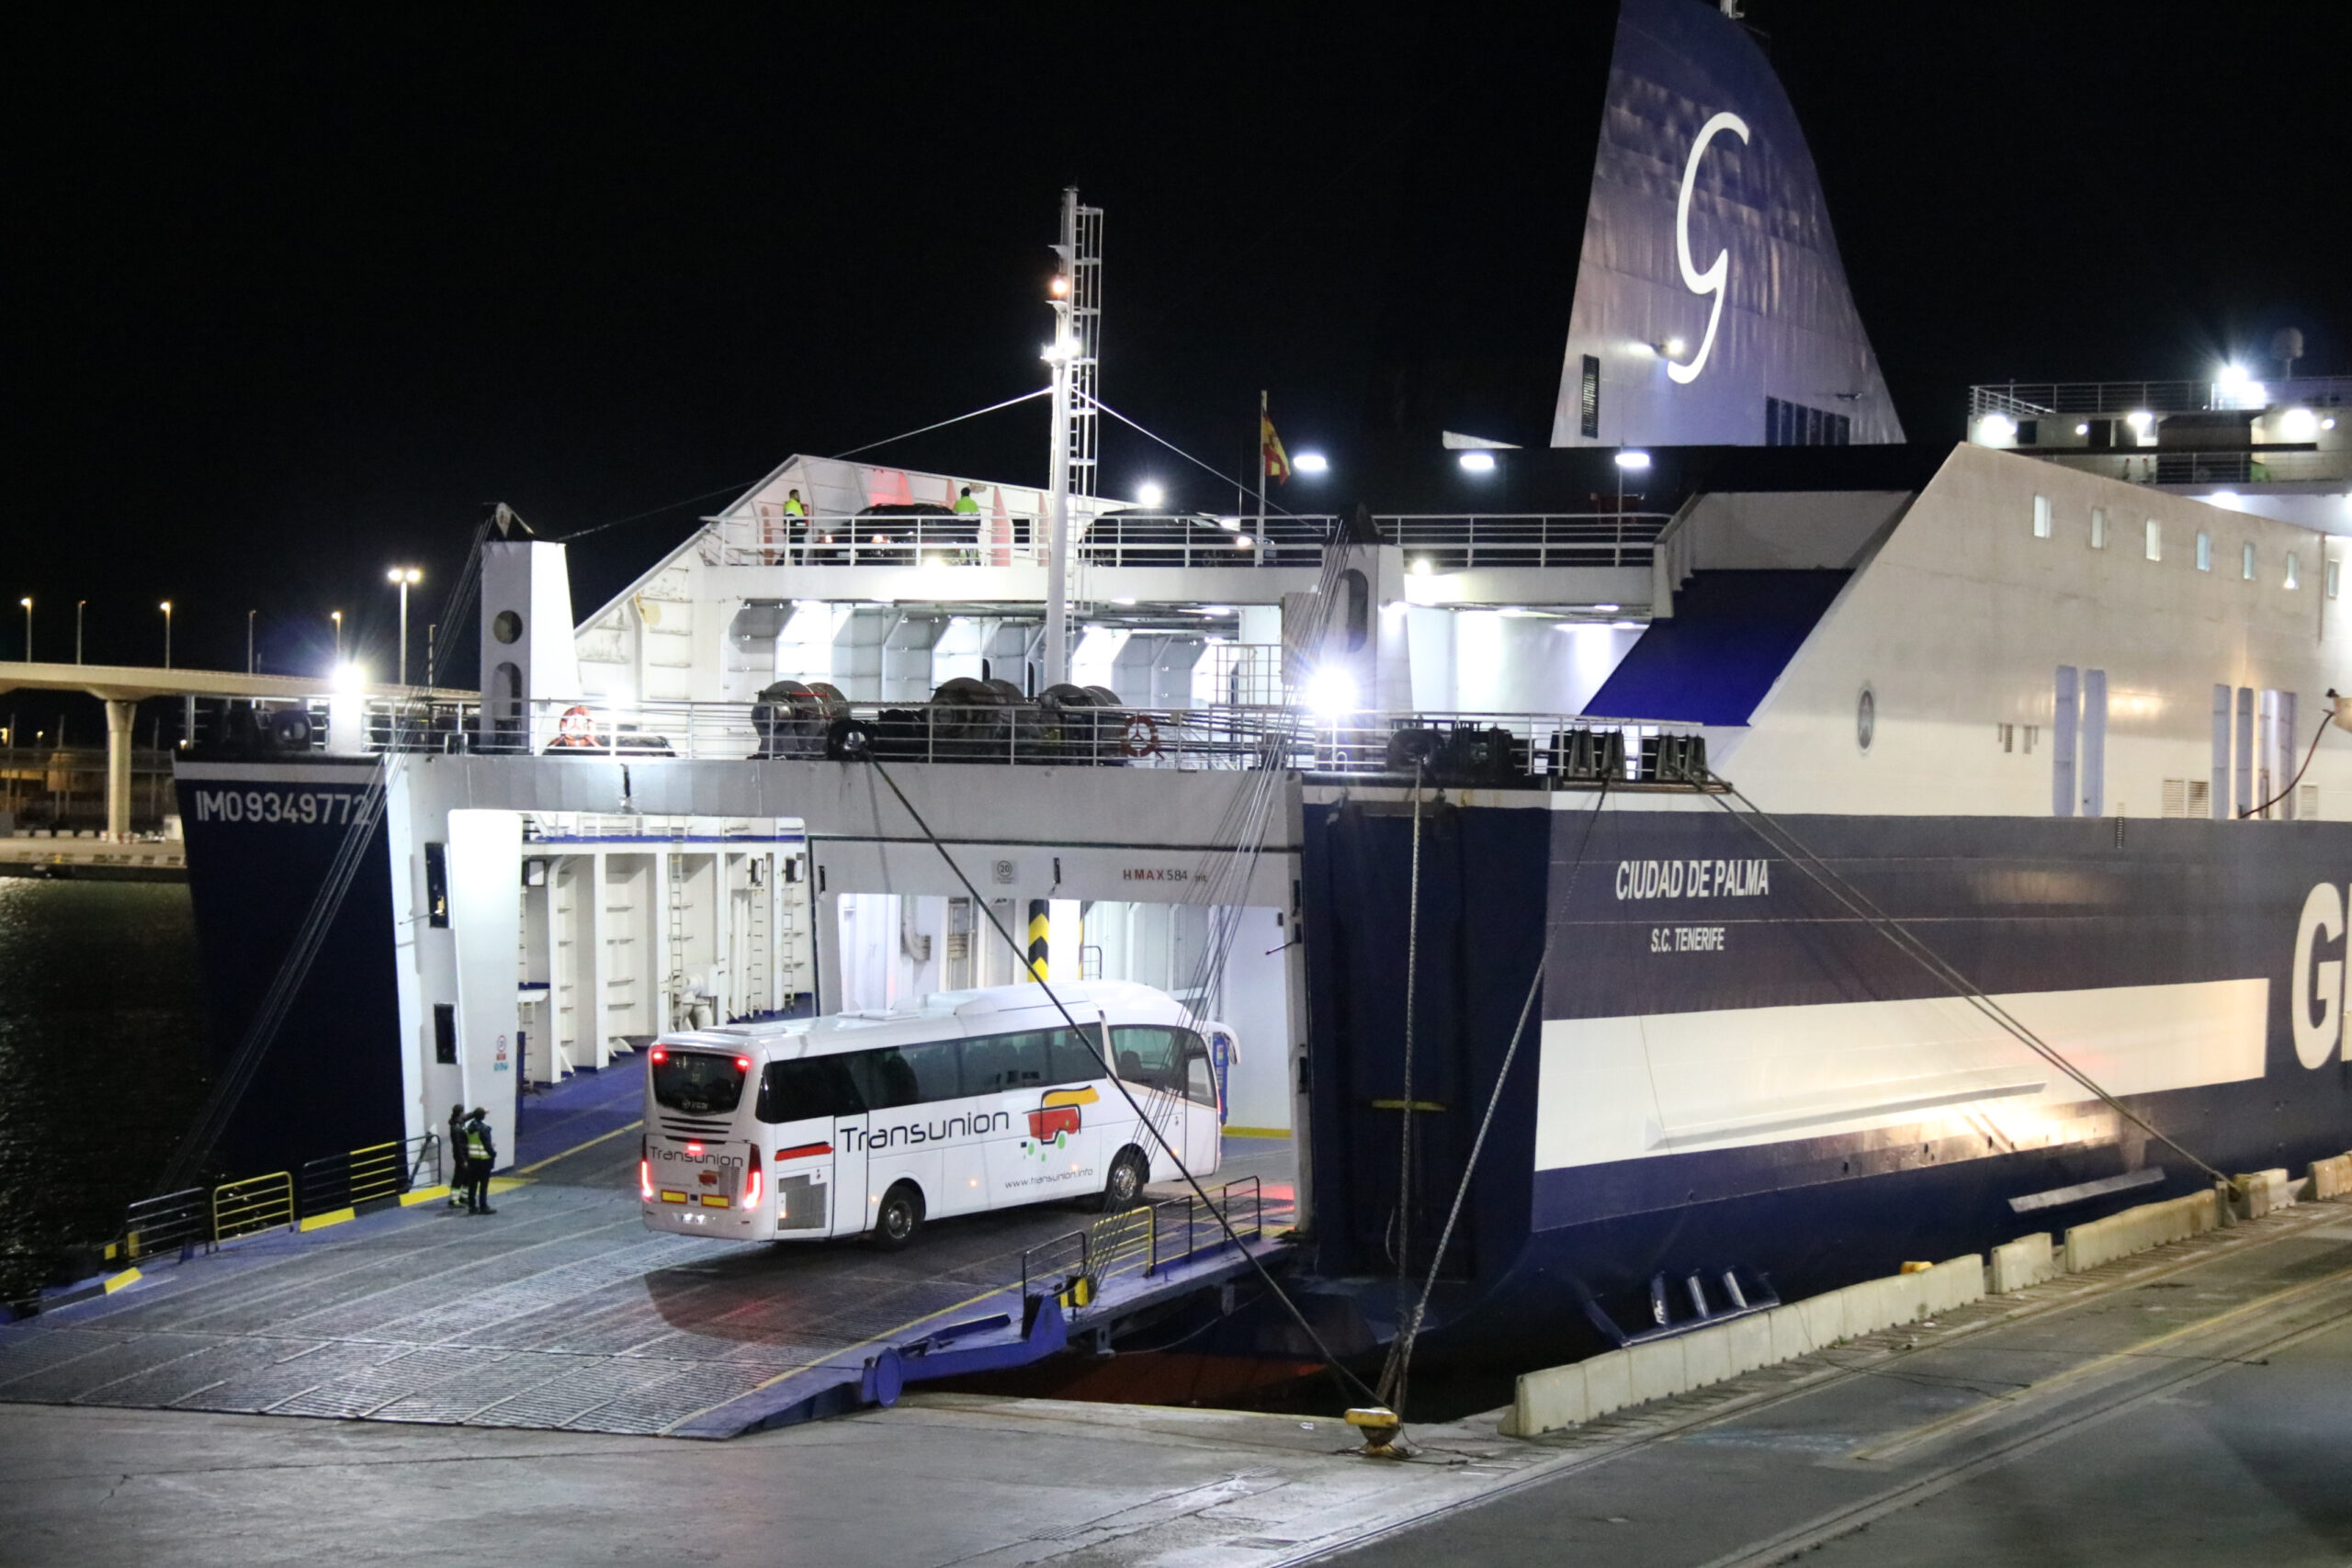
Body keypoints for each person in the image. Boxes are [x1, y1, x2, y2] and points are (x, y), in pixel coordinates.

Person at [461, 1108, 497, 1215]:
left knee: (473, 1185)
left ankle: (472, 1206)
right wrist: (493, 1153)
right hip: (484, 1161)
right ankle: (483, 1206)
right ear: (483, 1116)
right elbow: (487, 1145)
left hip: (473, 1160)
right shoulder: (484, 1129)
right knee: (483, 1185)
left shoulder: (468, 1128)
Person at [446, 1102, 469, 1209]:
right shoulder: (456, 1127)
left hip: (465, 1153)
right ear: (460, 1113)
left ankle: (464, 1196)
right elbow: (457, 1145)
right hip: (461, 1155)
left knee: (467, 1176)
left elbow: (468, 1116)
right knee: (459, 1177)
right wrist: (462, 1159)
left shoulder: (460, 1122)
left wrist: (478, 1112)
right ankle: (454, 1199)